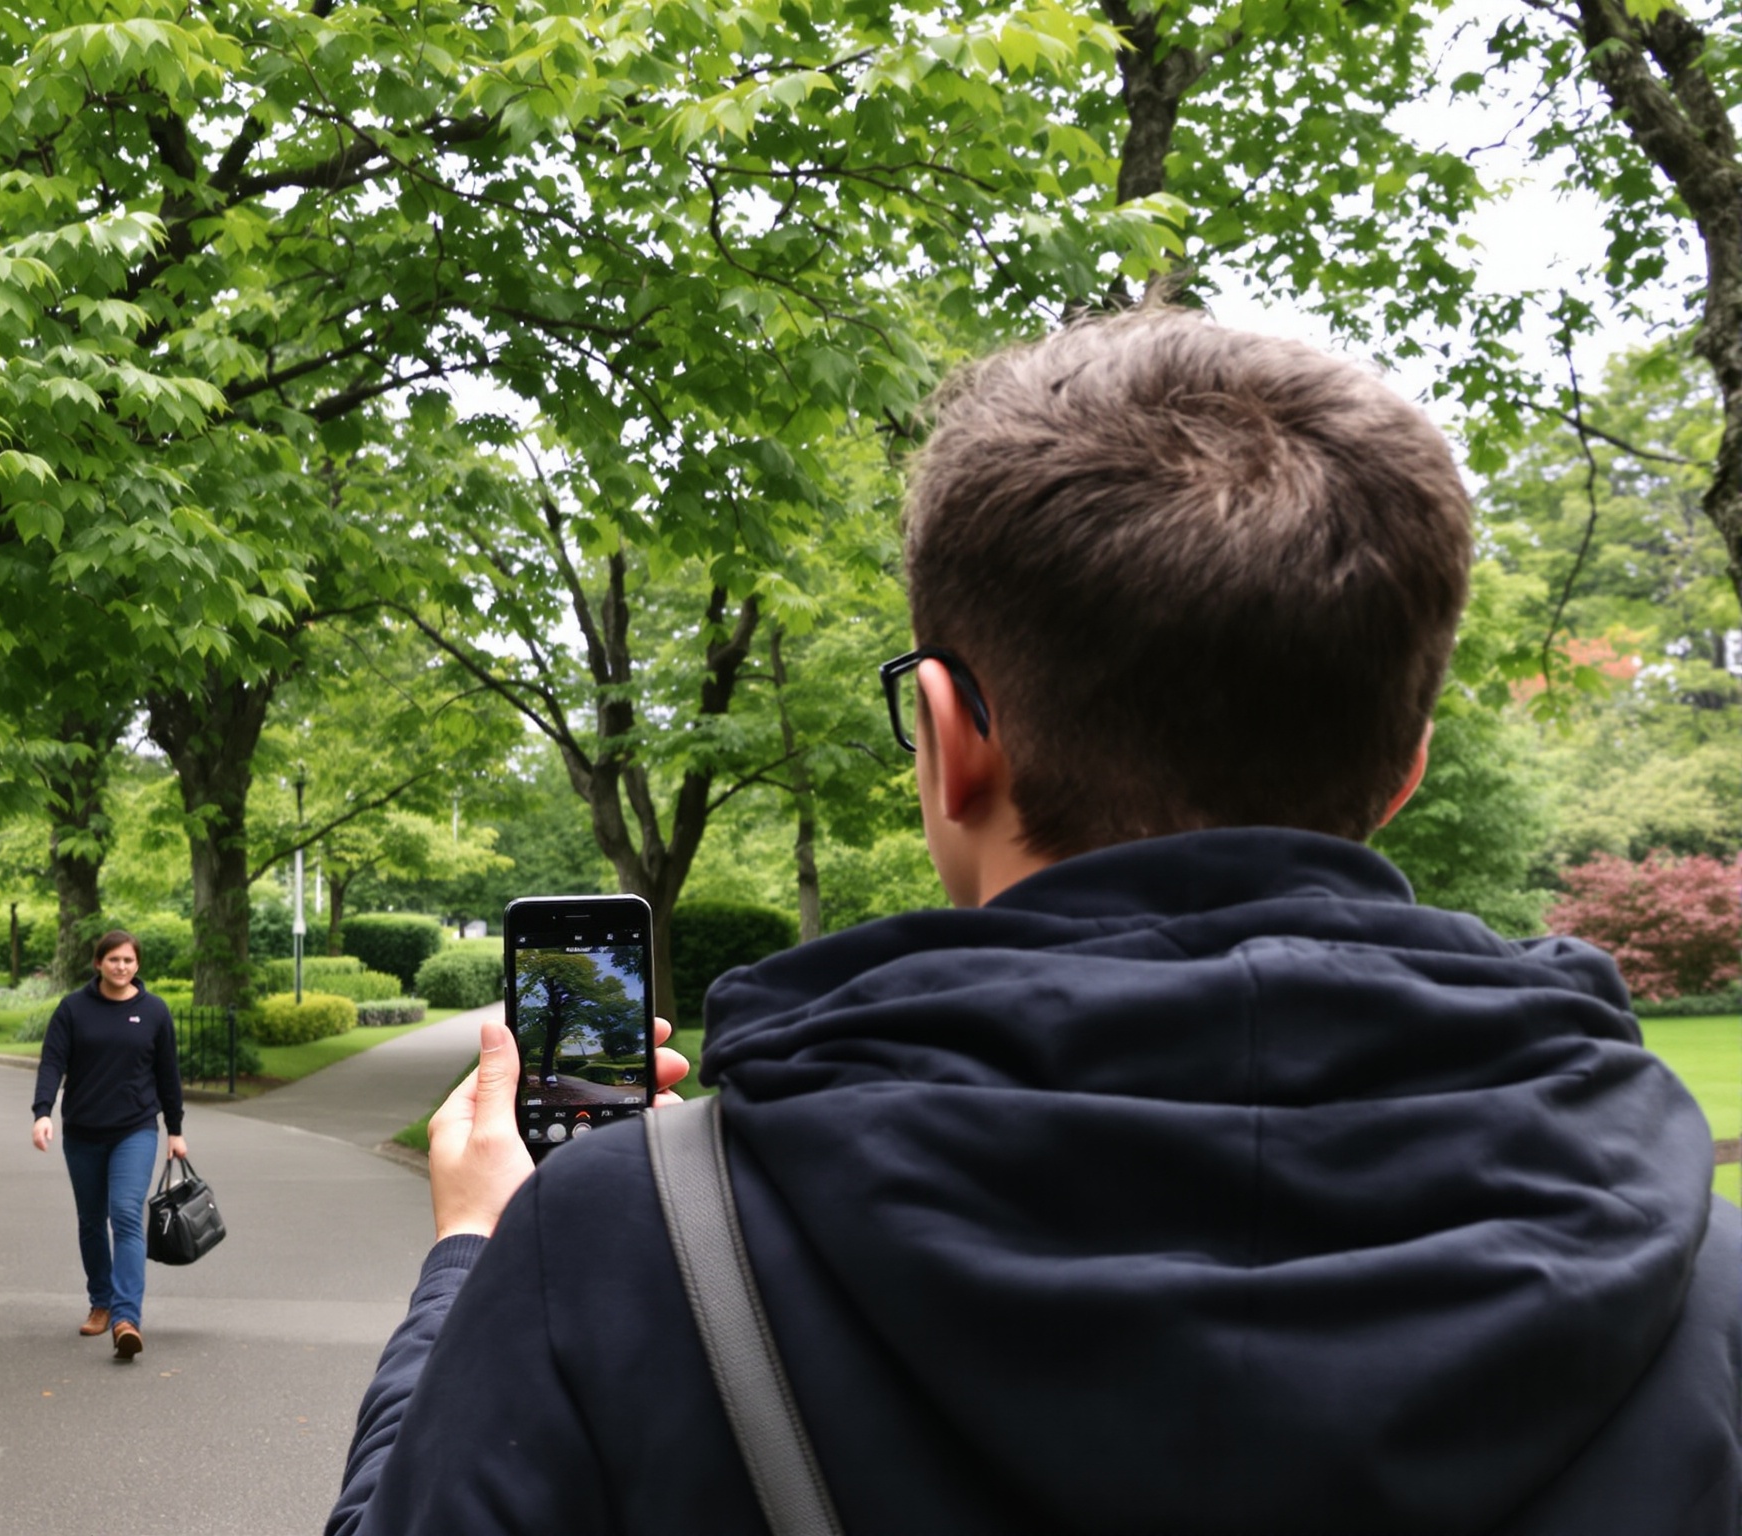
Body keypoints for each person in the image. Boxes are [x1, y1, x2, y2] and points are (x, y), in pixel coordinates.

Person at [328, 312, 1742, 1534]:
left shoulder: (637, 1250)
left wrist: (476, 1258)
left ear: (948, 740)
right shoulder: (1698, 1283)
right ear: (1407, 761)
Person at [32, 929, 186, 1361]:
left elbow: (167, 1076)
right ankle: (100, 1301)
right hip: (82, 1131)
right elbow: (52, 1063)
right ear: (98, 963)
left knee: (125, 1215)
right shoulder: (73, 1009)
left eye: (129, 960)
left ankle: (125, 1318)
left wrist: (175, 1130)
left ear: (138, 965)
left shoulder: (154, 1011)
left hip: (135, 1130)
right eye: (114, 960)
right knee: (90, 1220)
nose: (122, 967)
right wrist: (42, 1112)